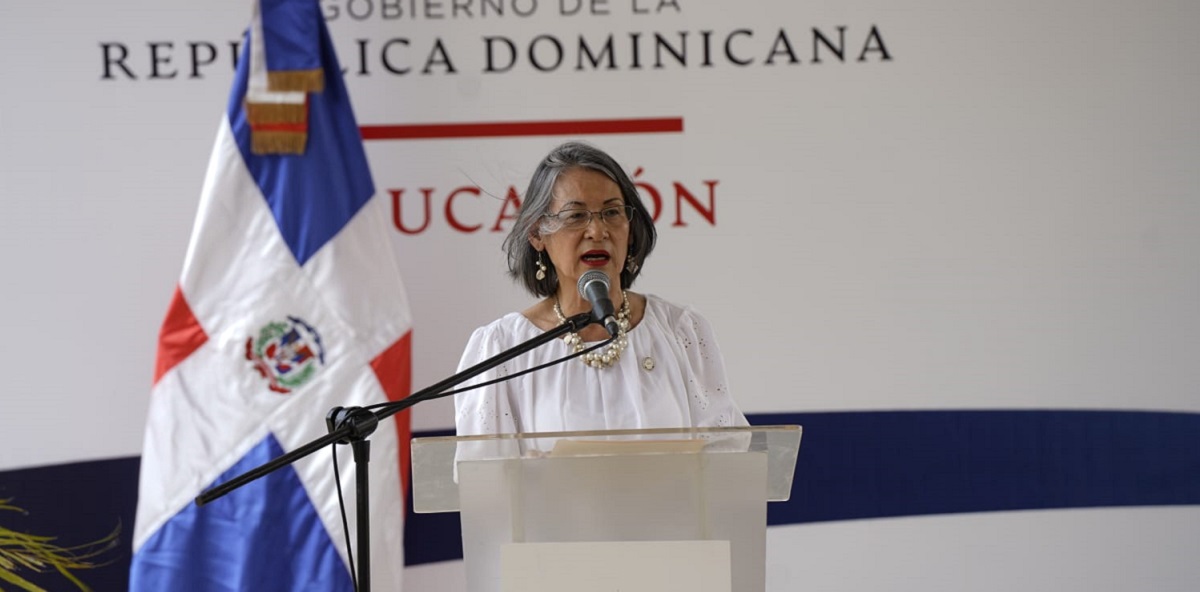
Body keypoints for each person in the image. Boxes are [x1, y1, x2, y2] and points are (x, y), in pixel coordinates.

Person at [454, 141, 748, 436]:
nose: (597, 231)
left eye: (612, 213)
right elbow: (485, 465)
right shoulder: (504, 350)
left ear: (630, 230)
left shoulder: (680, 332)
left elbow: (726, 453)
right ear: (537, 234)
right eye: (576, 216)